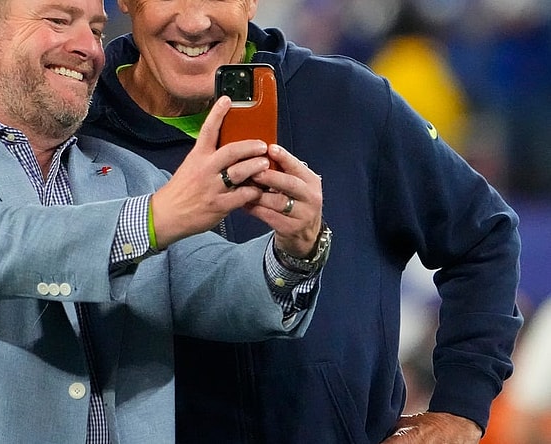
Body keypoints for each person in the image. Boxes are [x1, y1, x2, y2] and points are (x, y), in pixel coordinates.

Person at [0, 0, 333, 442]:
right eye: (59, 19)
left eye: (97, 28)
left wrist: (296, 249)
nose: (88, 48)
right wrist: (154, 218)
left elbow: (224, 291)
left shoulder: (133, 178)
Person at [79, 0, 522, 442]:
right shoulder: (73, 126)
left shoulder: (347, 102)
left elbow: (484, 236)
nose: (195, 21)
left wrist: (459, 410)